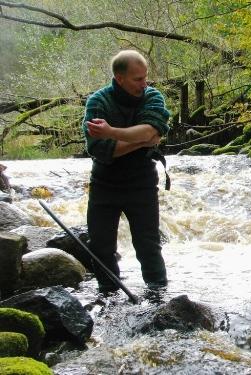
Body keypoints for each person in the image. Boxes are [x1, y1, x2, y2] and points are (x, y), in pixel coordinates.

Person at [82, 50, 170, 292]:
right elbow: (100, 149)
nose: (145, 83)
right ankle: (109, 295)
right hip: (105, 183)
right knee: (101, 246)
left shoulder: (152, 96)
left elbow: (150, 131)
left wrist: (112, 132)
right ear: (120, 79)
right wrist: (143, 140)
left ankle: (158, 295)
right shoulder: (97, 102)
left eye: (145, 77)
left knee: (148, 245)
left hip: (141, 181)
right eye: (138, 79)